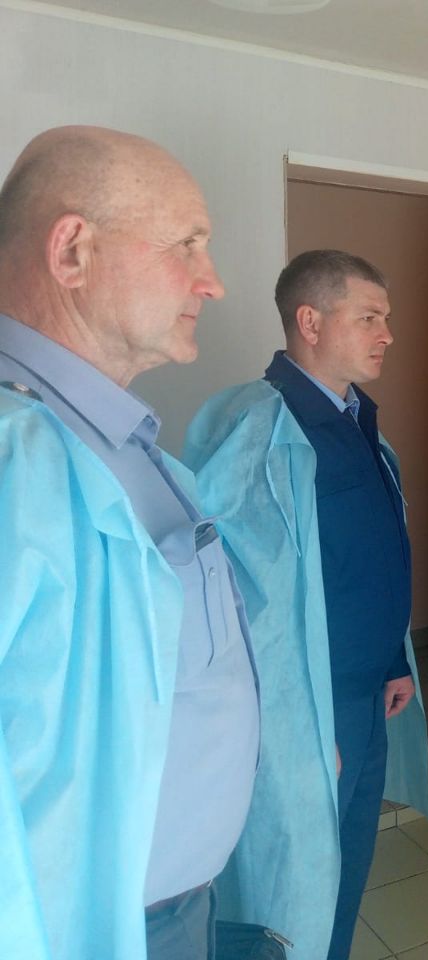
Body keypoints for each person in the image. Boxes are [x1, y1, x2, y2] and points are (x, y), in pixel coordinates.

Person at [0, 126, 259, 960]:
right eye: (187, 244)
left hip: (169, 911)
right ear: (72, 252)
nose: (212, 281)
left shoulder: (113, 443)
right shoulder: (14, 453)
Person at [184, 249, 428, 960]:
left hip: (366, 694)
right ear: (311, 321)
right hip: (305, 708)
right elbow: (234, 598)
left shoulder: (356, 421)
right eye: (370, 317)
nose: (387, 334)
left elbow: (369, 559)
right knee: (290, 888)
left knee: (345, 869)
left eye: (386, 318)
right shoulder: (257, 428)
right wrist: (292, 725)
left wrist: (394, 660)